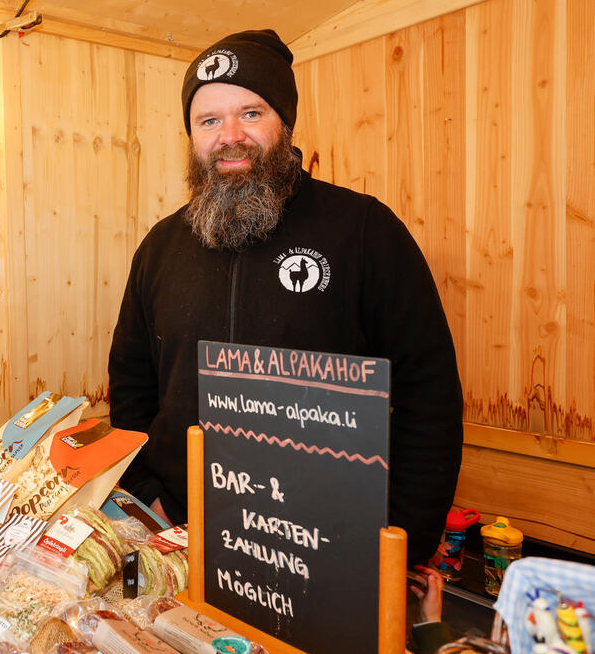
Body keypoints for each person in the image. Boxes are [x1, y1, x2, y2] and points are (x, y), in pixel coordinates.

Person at [107, 29, 464, 564]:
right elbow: (132, 383)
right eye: (209, 121)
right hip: (181, 532)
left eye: (250, 113)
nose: (230, 135)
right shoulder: (160, 246)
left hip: (327, 545)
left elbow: (427, 392)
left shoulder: (363, 230)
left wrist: (401, 540)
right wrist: (144, 492)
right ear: (192, 137)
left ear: (284, 122)